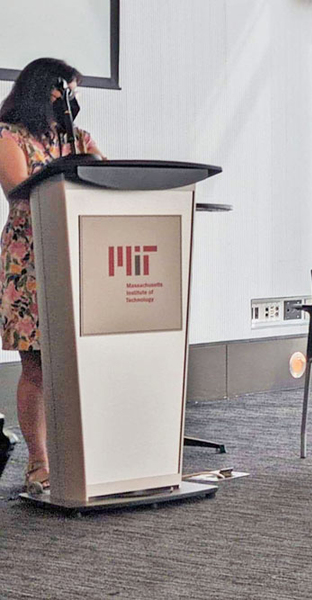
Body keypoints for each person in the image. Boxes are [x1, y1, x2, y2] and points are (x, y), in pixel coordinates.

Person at [0, 58, 103, 493]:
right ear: (48, 91)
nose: (74, 102)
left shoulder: (76, 138)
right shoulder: (8, 136)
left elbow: (105, 175)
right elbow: (18, 188)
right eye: (69, 92)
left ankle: (83, 457)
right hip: (31, 259)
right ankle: (39, 462)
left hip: (77, 253)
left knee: (80, 362)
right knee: (38, 364)